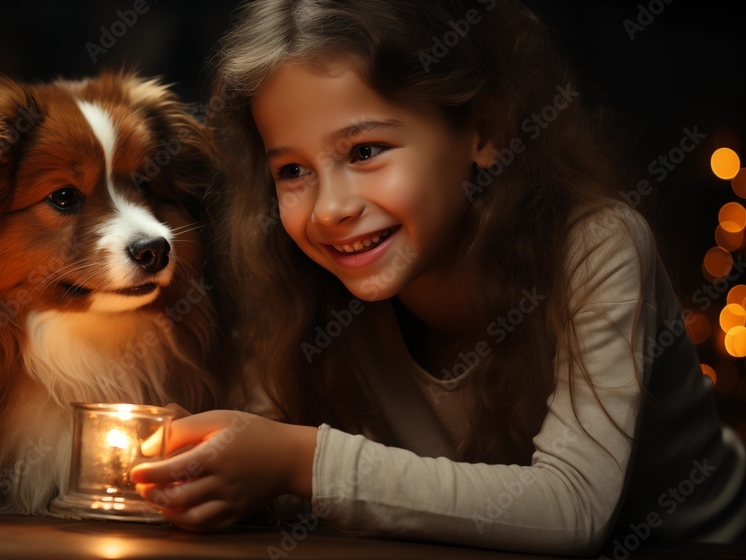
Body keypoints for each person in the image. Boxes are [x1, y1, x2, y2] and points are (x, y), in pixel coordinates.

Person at [129, 0, 746, 555]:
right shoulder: (313, 282)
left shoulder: (597, 245)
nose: (328, 209)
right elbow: (280, 464)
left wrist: (298, 460)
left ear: (483, 131)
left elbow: (575, 507)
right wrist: (217, 466)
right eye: (292, 170)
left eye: (365, 151)